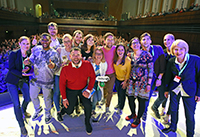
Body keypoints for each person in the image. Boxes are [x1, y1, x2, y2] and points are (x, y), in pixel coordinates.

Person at [161, 39, 200, 137]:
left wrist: (199, 93)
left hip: (190, 91)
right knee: (173, 110)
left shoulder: (195, 59)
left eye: (181, 49)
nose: (178, 52)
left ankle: (190, 134)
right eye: (176, 49)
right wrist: (166, 89)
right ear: (173, 50)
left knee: (189, 115)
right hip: (175, 89)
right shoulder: (171, 61)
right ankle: (173, 127)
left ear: (186, 49)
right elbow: (168, 77)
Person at [23, 33, 60, 124]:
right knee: (33, 96)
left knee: (47, 98)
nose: (45, 42)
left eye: (47, 40)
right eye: (43, 40)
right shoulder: (36, 49)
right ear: (40, 40)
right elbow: (31, 60)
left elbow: (58, 66)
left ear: (50, 41)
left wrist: (53, 66)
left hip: (47, 79)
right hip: (35, 78)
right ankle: (38, 109)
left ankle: (48, 113)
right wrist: (27, 62)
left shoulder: (54, 52)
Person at [59, 47, 96, 135]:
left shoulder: (87, 64)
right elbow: (62, 84)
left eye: (78, 55)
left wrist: (88, 89)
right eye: (74, 55)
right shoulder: (65, 68)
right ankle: (62, 111)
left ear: (81, 56)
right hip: (71, 90)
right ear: (70, 56)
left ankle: (87, 122)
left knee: (88, 106)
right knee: (69, 110)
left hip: (83, 89)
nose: (76, 57)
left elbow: (93, 77)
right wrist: (64, 98)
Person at [4, 36, 32, 136]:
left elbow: (29, 66)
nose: (26, 46)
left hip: (23, 80)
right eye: (23, 43)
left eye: (27, 44)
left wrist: (28, 68)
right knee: (16, 104)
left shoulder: (29, 54)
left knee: (28, 98)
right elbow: (11, 68)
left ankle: (23, 111)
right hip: (12, 81)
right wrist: (22, 73)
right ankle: (22, 127)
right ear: (19, 44)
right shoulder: (13, 53)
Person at [126, 37, 153, 127]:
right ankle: (133, 113)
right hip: (132, 82)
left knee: (141, 100)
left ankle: (138, 118)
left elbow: (151, 69)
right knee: (130, 98)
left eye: (137, 42)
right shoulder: (130, 55)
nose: (136, 44)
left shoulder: (147, 55)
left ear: (140, 44)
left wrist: (149, 83)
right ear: (130, 46)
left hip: (143, 82)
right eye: (133, 43)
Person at [140, 32, 166, 120]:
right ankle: (142, 111)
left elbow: (162, 65)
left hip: (156, 77)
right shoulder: (139, 52)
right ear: (140, 42)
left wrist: (159, 77)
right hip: (144, 79)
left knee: (155, 96)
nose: (145, 41)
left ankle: (149, 109)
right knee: (144, 96)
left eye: (147, 39)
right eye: (143, 39)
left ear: (151, 41)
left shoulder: (158, 48)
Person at [54, 34, 72, 122]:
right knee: (57, 92)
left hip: (69, 76)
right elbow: (54, 61)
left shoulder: (74, 51)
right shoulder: (60, 50)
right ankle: (58, 111)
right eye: (65, 41)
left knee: (66, 93)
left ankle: (63, 108)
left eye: (68, 41)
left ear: (72, 41)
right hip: (59, 74)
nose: (67, 43)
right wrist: (59, 64)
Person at [159, 33, 175, 124]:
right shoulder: (163, 52)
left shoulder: (177, 52)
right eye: (165, 40)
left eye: (169, 39)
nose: (166, 41)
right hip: (164, 78)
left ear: (173, 40)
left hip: (174, 80)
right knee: (164, 96)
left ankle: (168, 115)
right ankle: (163, 109)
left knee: (173, 98)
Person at [113, 43, 131, 114]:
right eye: (118, 50)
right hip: (117, 79)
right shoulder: (115, 58)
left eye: (122, 50)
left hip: (124, 80)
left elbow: (128, 72)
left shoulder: (128, 60)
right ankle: (118, 104)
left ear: (124, 51)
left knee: (122, 94)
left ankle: (121, 108)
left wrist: (126, 81)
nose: (120, 51)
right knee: (118, 93)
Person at [101, 32, 116, 113]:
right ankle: (103, 99)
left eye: (111, 39)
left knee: (110, 91)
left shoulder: (115, 49)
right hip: (102, 74)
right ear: (104, 41)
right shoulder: (100, 49)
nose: (110, 41)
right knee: (103, 89)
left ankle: (107, 106)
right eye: (108, 40)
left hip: (111, 74)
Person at [91, 47, 107, 115]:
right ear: (94, 55)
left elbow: (103, 74)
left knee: (99, 98)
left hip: (99, 83)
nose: (99, 55)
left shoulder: (104, 63)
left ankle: (94, 104)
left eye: (100, 54)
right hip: (92, 83)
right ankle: (92, 110)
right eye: (97, 53)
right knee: (94, 99)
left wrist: (102, 82)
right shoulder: (91, 63)